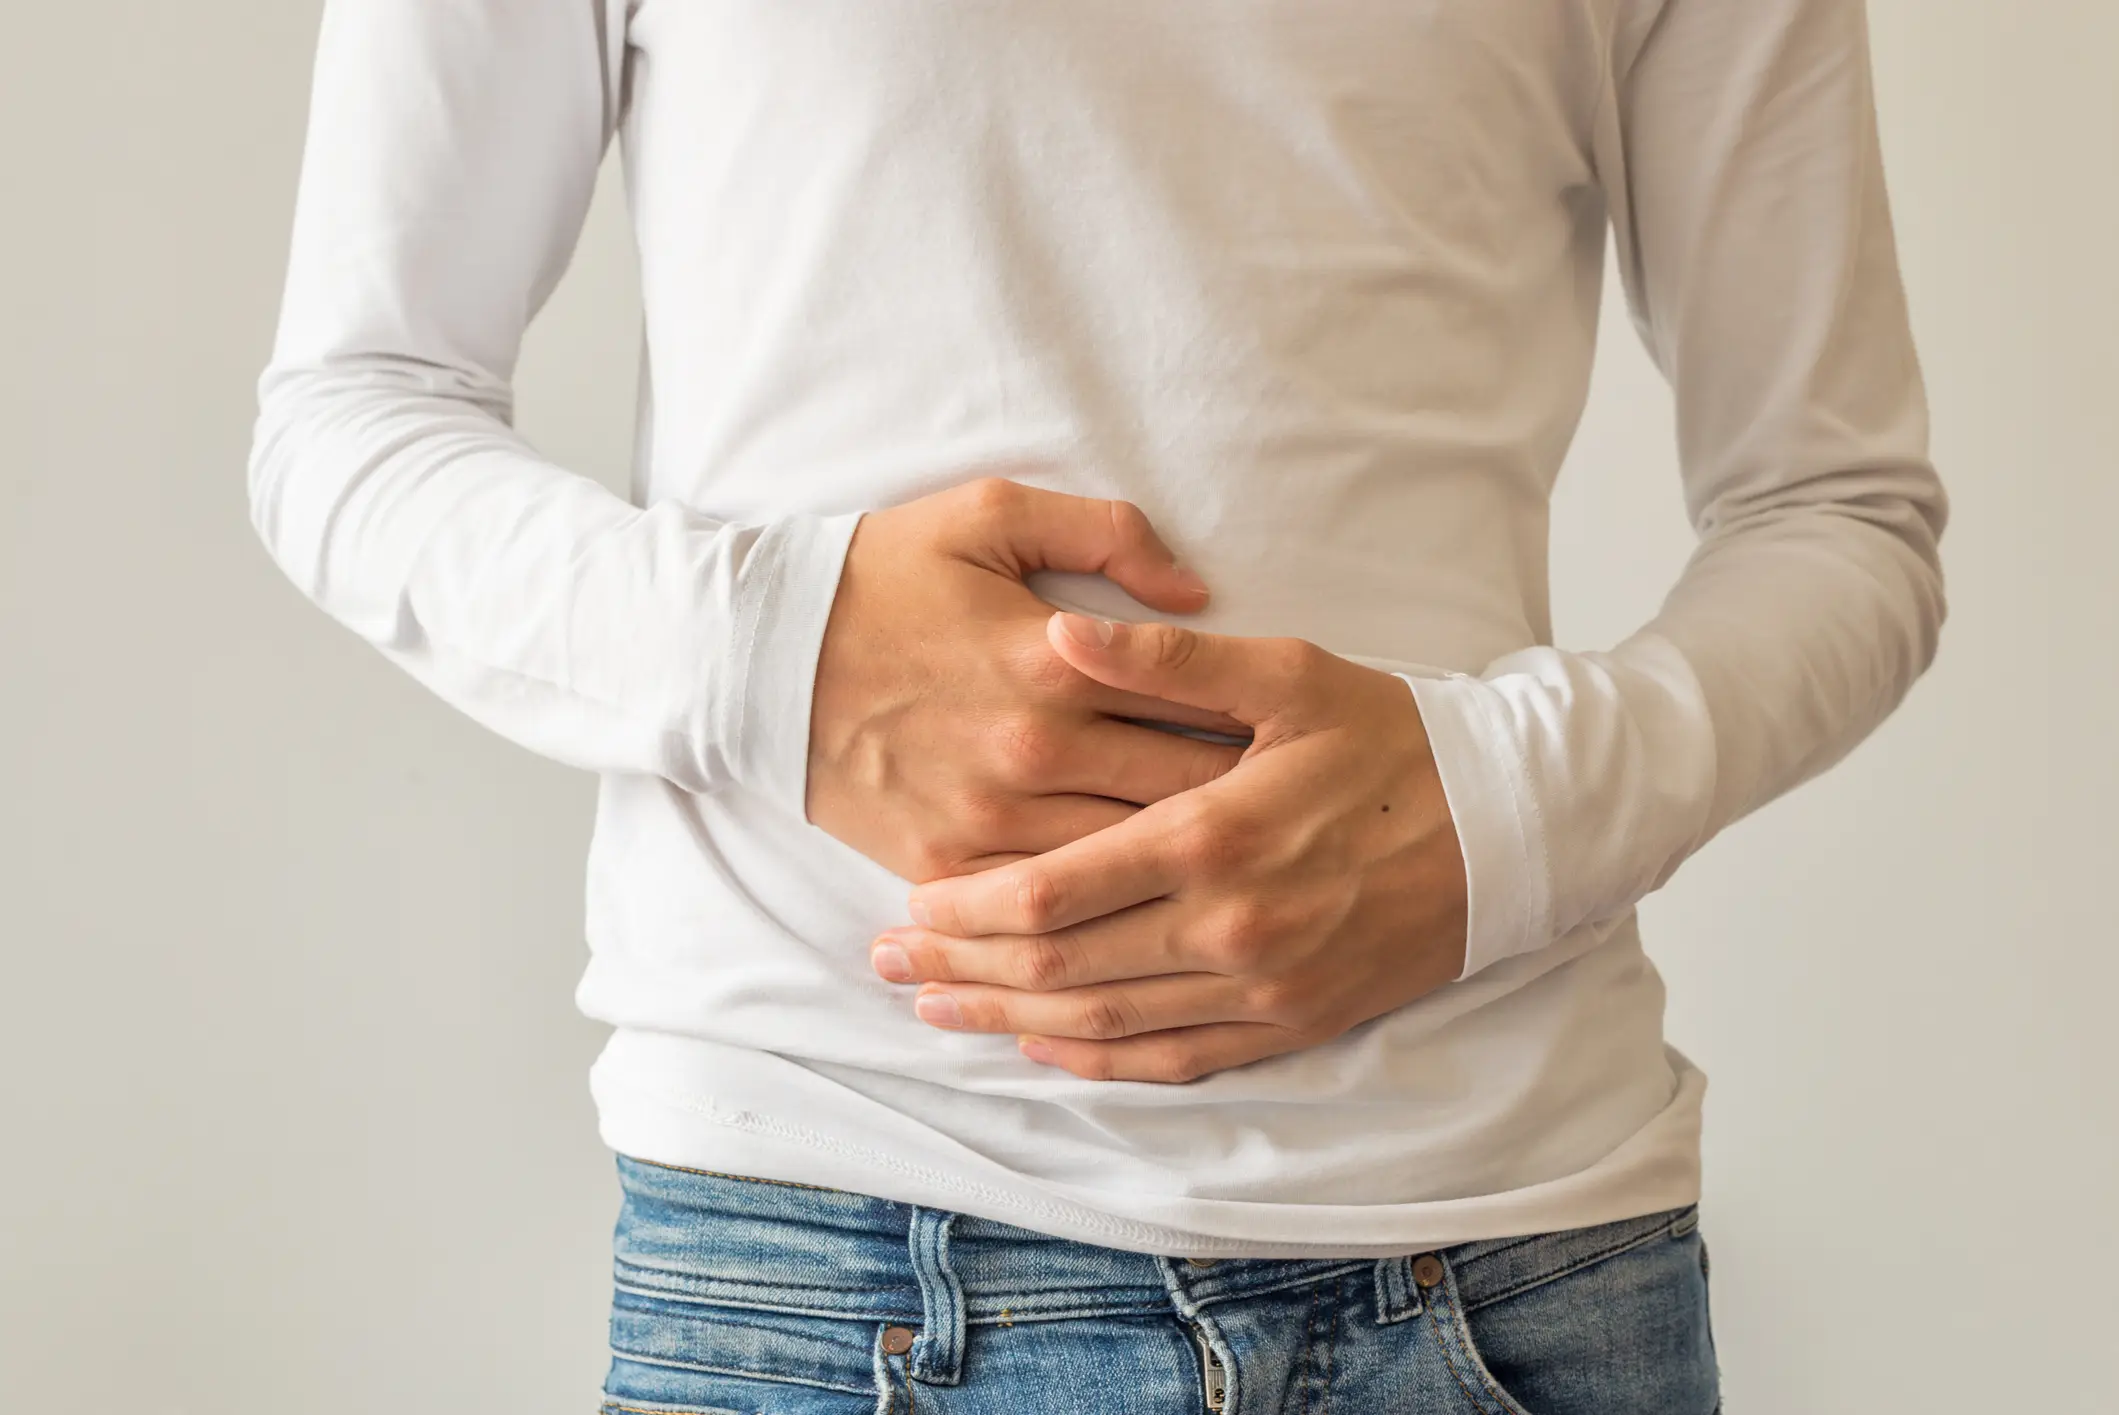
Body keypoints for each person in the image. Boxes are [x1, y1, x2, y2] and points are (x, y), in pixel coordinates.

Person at [247, 0, 1946, 1409]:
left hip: (1511, 1254)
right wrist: (778, 661)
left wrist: (1499, 812)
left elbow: (1839, 514)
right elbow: (354, 410)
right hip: (828, 1237)